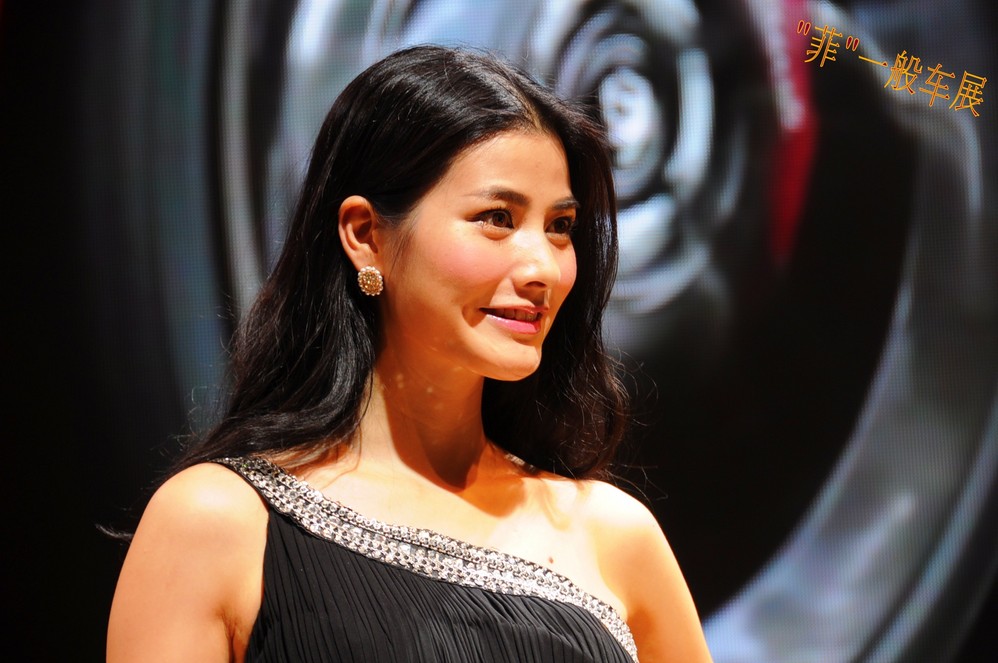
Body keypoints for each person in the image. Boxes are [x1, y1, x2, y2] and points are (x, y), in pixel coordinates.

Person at [106, 45, 713, 662]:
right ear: (365, 235)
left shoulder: (612, 534)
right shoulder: (216, 522)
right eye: (496, 217)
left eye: (560, 227)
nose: (543, 269)